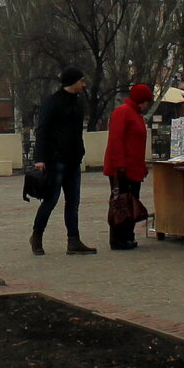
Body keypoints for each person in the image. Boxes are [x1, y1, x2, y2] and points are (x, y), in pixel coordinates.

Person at [30, 66, 96, 255]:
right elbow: (42, 130)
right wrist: (40, 159)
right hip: (55, 159)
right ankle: (37, 236)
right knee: (51, 200)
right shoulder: (52, 102)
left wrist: (80, 151)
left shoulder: (77, 103)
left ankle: (73, 241)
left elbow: (77, 131)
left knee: (73, 202)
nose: (84, 84)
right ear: (72, 82)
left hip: (73, 159)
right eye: (81, 81)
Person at [103, 84, 153, 250]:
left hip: (133, 167)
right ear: (141, 101)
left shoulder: (135, 114)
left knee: (130, 203)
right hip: (123, 168)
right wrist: (119, 165)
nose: (147, 105)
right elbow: (116, 140)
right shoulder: (123, 112)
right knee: (121, 204)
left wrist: (141, 166)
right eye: (147, 102)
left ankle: (127, 236)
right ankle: (118, 239)